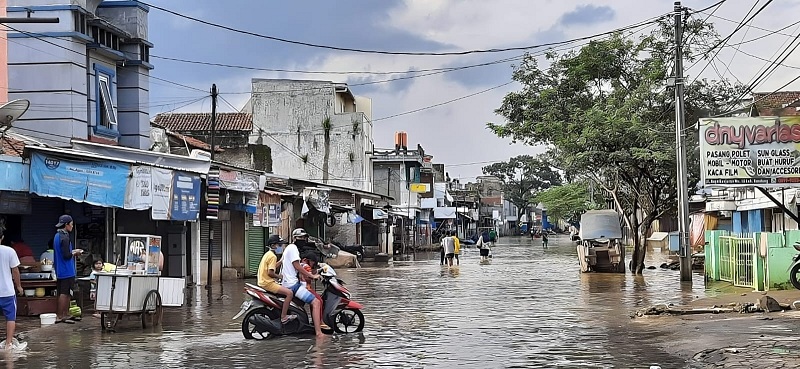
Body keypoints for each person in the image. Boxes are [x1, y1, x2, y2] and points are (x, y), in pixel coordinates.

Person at [281, 228, 325, 338]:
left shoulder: (289, 248)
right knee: (316, 302)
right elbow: (297, 266)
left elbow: (282, 263)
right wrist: (312, 276)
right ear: (294, 238)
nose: (303, 240)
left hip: (287, 282)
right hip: (292, 285)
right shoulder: (293, 249)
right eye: (300, 238)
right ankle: (319, 333)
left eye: (304, 237)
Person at [257, 235, 297, 324]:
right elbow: (270, 273)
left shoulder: (268, 254)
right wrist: (280, 276)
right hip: (267, 283)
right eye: (279, 245)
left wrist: (282, 261)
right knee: (289, 293)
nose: (281, 247)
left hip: (262, 281)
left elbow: (272, 267)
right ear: (273, 245)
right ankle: (284, 316)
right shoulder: (273, 257)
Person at [53, 215, 83, 324]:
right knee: (65, 293)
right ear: (66, 225)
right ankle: (61, 315)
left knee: (63, 292)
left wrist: (73, 251)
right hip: (66, 270)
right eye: (71, 224)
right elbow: (66, 255)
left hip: (60, 270)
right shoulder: (64, 238)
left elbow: (63, 253)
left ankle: (64, 314)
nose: (72, 226)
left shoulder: (57, 236)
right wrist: (76, 253)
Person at [0, 233, 25, 351]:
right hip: (7, 292)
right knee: (10, 318)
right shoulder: (9, 251)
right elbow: (15, 270)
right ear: (2, 237)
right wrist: (19, 286)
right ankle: (8, 344)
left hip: (7, 292)